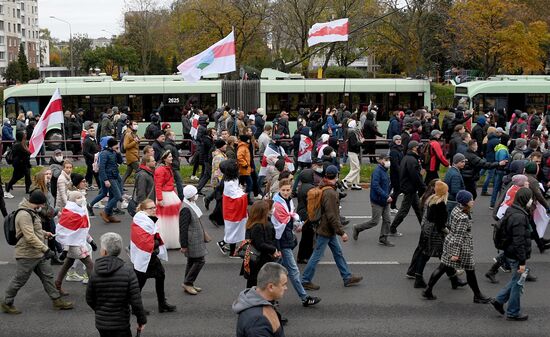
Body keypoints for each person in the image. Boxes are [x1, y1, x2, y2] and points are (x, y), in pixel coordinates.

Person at [1, 190, 74, 314]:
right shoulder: (24, 214)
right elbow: (29, 236)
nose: (43, 207)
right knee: (20, 279)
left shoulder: (32, 211)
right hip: (27, 254)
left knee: (48, 276)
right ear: (38, 203)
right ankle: (6, 302)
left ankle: (57, 300)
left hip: (38, 253)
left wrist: (45, 234)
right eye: (42, 205)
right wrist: (46, 249)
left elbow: (34, 231)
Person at [423, 190, 492, 303]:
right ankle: (477, 295)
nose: (473, 201)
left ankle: (428, 290)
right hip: (461, 247)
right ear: (465, 202)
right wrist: (455, 253)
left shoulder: (456, 209)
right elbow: (460, 236)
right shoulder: (463, 217)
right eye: (470, 199)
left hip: (449, 241)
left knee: (442, 267)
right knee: (470, 270)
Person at [301, 165, 363, 290]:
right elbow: (332, 215)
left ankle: (347, 277)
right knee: (317, 255)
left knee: (338, 253)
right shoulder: (330, 193)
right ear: (337, 176)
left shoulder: (323, 187)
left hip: (326, 228)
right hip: (326, 229)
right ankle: (305, 280)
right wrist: (341, 232)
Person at [271, 178, 321, 307]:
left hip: (285, 239)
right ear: (279, 190)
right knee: (293, 271)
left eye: (288, 190)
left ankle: (267, 297)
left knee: (274, 271)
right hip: (282, 242)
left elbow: (289, 218)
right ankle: (304, 298)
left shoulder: (287, 202)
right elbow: (279, 226)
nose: (286, 192)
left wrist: (295, 223)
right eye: (283, 190)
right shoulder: (278, 205)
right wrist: (278, 247)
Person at [86, 232, 147, 337]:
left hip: (102, 323)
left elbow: (89, 298)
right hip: (121, 323)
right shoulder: (128, 271)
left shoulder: (95, 272)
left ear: (104, 252)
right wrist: (141, 320)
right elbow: (136, 301)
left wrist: (100, 310)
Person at [491, 187, 533, 321]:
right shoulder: (519, 217)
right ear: (525, 199)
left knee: (517, 279)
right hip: (516, 255)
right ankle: (513, 312)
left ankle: (499, 300)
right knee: (518, 283)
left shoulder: (512, 210)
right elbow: (519, 241)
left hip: (509, 251)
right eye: (530, 198)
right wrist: (522, 261)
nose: (532, 201)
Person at [130, 199, 176, 313]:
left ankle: (162, 304)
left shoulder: (145, 220)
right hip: (144, 257)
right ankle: (136, 308)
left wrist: (155, 242)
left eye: (155, 207)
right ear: (143, 210)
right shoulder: (142, 221)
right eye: (151, 208)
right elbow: (145, 241)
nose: (154, 210)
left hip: (150, 256)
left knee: (160, 276)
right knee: (139, 284)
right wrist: (156, 242)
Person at [54, 191, 96, 296]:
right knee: (89, 264)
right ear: (73, 200)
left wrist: (91, 241)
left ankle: (57, 284)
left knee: (68, 262)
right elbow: (67, 234)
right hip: (74, 246)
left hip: (78, 243)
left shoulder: (80, 212)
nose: (82, 198)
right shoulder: (70, 214)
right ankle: (95, 289)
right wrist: (65, 250)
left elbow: (81, 230)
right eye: (79, 197)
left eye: (82, 196)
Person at [233, 262, 288, 337]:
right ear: (271, 287)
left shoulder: (261, 303)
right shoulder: (257, 321)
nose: (286, 288)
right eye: (284, 284)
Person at [353, 155, 394, 246]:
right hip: (377, 201)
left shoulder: (385, 171)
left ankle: (383, 238)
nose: (388, 162)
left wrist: (389, 194)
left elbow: (386, 184)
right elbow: (375, 186)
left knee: (387, 220)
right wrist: (386, 196)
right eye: (386, 160)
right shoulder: (377, 171)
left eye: (389, 160)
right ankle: (357, 228)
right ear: (380, 160)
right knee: (375, 221)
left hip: (385, 200)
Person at [389, 141, 426, 236]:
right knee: (404, 210)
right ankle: (392, 229)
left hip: (410, 188)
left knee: (419, 209)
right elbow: (415, 176)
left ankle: (425, 228)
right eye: (419, 147)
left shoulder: (408, 158)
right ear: (414, 148)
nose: (420, 148)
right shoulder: (412, 160)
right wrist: (423, 186)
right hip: (410, 189)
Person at [179, 185, 208, 295]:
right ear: (191, 196)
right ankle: (188, 282)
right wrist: (184, 245)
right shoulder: (186, 209)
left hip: (195, 239)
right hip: (192, 240)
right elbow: (183, 228)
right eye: (195, 194)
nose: (196, 196)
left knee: (192, 261)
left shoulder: (190, 204)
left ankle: (189, 282)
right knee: (200, 260)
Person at [244, 201, 280, 288]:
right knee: (259, 282)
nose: (271, 211)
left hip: (253, 258)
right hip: (259, 260)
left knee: (253, 283)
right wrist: (273, 249)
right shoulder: (259, 226)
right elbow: (260, 244)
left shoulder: (252, 223)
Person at [218, 159, 248, 256]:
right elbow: (237, 196)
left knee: (233, 230)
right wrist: (244, 193)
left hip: (234, 209)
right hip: (232, 210)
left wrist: (241, 191)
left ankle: (223, 244)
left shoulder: (232, 179)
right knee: (233, 230)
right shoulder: (230, 183)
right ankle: (231, 252)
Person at [155, 150, 182, 249]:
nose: (172, 158)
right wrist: (160, 199)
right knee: (167, 220)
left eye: (171, 156)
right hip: (165, 196)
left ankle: (169, 240)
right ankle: (168, 240)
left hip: (169, 194)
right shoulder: (161, 170)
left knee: (171, 220)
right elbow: (158, 185)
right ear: (164, 158)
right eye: (170, 157)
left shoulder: (167, 168)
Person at [94, 138, 124, 223]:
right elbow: (101, 168)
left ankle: (110, 215)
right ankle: (105, 211)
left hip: (114, 176)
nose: (117, 147)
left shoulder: (114, 152)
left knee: (112, 196)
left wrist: (118, 153)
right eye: (116, 146)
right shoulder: (104, 154)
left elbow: (120, 162)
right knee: (118, 196)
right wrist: (105, 180)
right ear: (111, 146)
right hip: (109, 177)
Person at [296, 169, 316, 264]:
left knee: (305, 236)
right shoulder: (310, 188)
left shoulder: (301, 186)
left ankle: (302, 256)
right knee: (308, 237)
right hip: (307, 214)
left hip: (302, 212)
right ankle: (305, 256)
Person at [5, 131, 32, 195]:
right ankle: (8, 186)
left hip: (24, 163)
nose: (25, 135)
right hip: (19, 164)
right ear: (21, 137)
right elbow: (27, 153)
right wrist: (28, 150)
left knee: (27, 175)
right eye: (24, 134)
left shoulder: (22, 143)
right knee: (17, 176)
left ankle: (28, 189)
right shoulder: (18, 145)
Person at [342, 119, 363, 190]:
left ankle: (354, 184)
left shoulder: (350, 132)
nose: (357, 126)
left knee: (354, 168)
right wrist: (361, 142)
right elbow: (354, 144)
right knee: (357, 168)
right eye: (356, 124)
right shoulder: (352, 133)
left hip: (351, 152)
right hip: (352, 152)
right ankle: (345, 180)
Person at [163, 130, 184, 199]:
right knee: (179, 181)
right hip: (173, 166)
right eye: (173, 135)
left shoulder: (171, 144)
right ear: (169, 136)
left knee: (174, 181)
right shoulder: (169, 145)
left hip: (174, 165)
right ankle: (181, 197)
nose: (174, 136)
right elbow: (167, 156)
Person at [196, 128, 216, 194]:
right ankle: (216, 189)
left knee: (206, 175)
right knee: (209, 175)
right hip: (207, 160)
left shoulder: (207, 139)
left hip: (207, 159)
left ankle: (198, 189)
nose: (215, 134)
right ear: (210, 133)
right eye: (213, 133)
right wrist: (214, 141)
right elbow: (211, 148)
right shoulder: (207, 140)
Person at [389, 135, 404, 212]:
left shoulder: (400, 149)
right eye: (397, 139)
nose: (399, 140)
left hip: (399, 173)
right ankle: (392, 206)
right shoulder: (394, 151)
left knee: (398, 190)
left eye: (400, 139)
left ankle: (391, 203)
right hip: (395, 174)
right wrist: (401, 172)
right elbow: (395, 164)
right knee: (397, 190)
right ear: (394, 141)